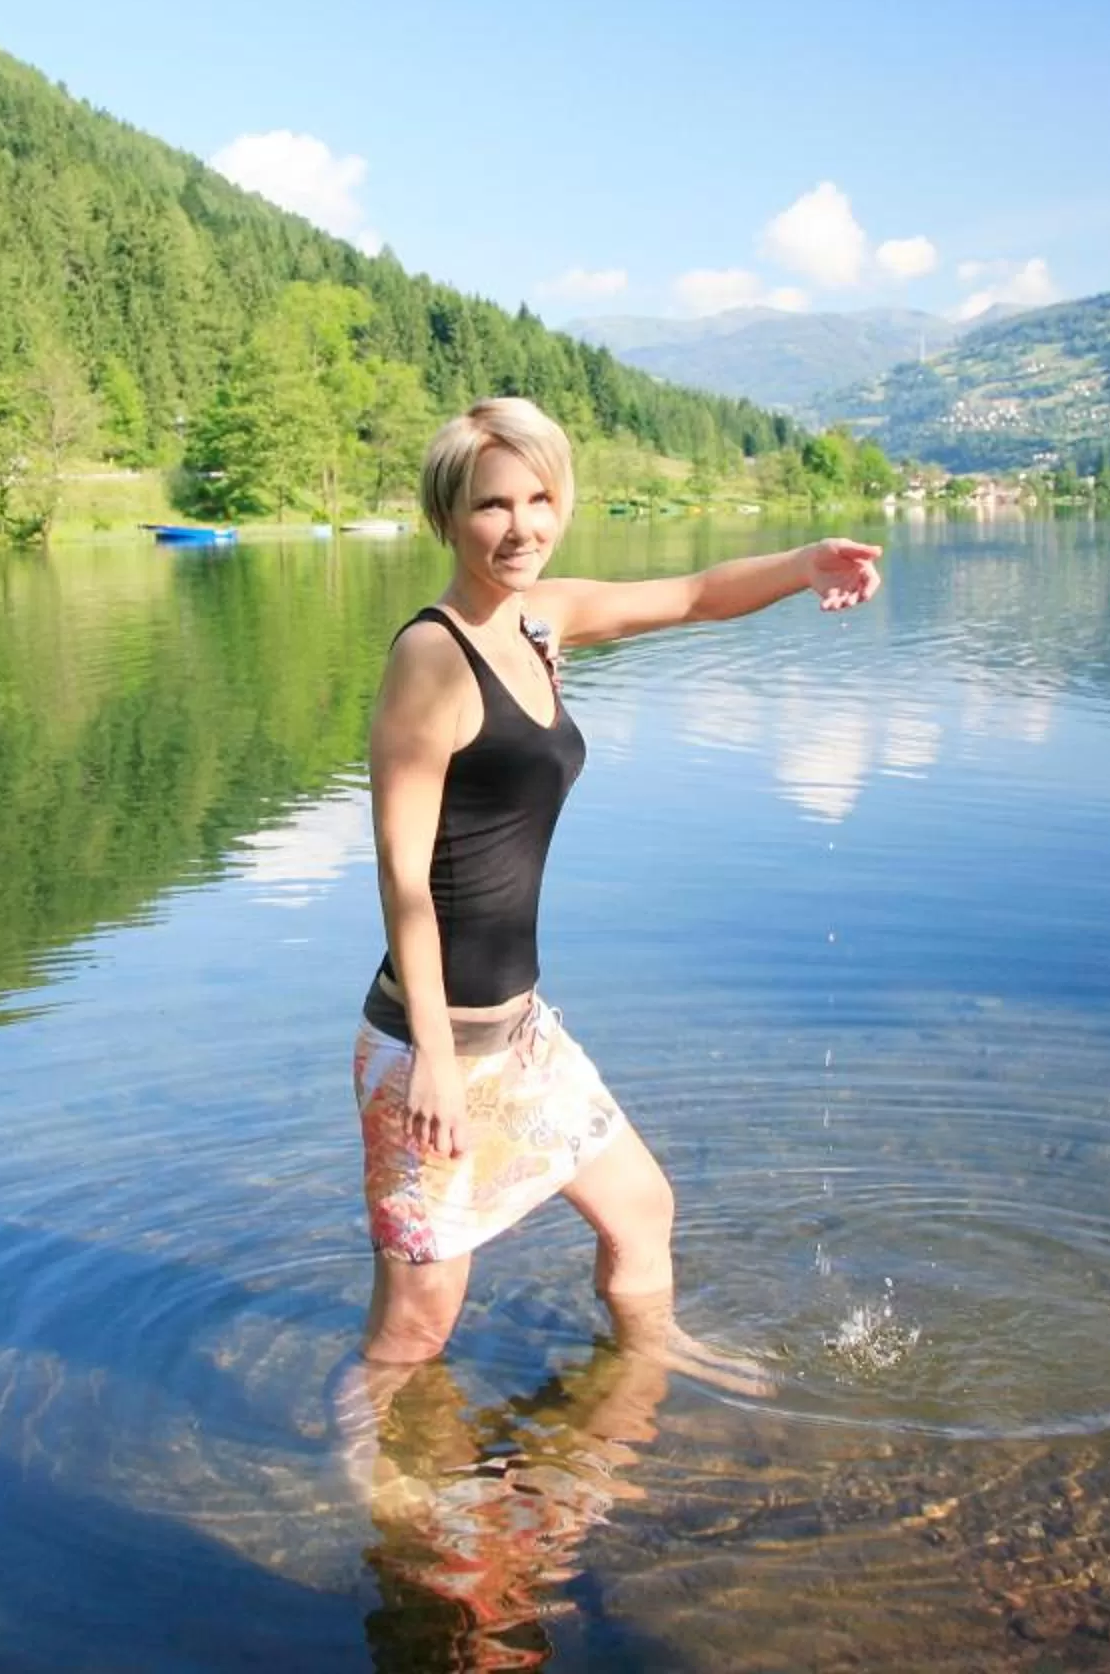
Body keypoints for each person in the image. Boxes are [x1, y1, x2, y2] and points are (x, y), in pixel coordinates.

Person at [352, 396, 882, 1371]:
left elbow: (690, 595)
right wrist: (431, 1050)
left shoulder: (540, 622)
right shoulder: (433, 655)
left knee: (641, 1209)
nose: (524, 526)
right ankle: (363, 1492)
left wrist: (804, 563)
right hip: (432, 1045)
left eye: (541, 497)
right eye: (493, 505)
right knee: (416, 1326)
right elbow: (403, 871)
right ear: (447, 515)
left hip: (519, 1033)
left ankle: (643, 1369)